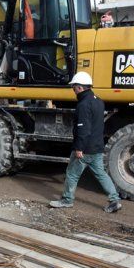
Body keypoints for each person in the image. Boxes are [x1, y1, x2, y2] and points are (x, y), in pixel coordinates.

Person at [50, 71, 122, 213]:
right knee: (101, 174)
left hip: (85, 148)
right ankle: (114, 200)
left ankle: (67, 200)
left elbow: (83, 128)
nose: (73, 90)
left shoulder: (83, 104)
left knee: (71, 173)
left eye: (74, 87)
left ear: (80, 87)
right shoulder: (98, 101)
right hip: (97, 146)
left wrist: (79, 148)